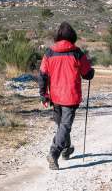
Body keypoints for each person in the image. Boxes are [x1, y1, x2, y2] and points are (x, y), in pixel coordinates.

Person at [38, 22, 95, 170]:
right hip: (71, 95)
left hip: (55, 96)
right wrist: (91, 72)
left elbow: (43, 75)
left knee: (62, 125)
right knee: (65, 126)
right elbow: (87, 74)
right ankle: (54, 152)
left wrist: (44, 95)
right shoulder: (77, 53)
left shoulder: (49, 53)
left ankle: (65, 149)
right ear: (72, 36)